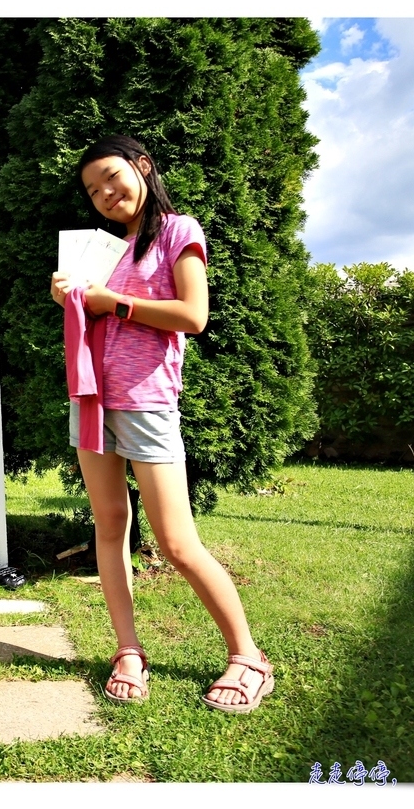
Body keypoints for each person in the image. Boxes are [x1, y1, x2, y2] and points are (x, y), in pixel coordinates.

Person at [50, 135, 273, 713]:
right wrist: (69, 297)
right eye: (92, 190)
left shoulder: (178, 230)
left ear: (142, 166)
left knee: (176, 541)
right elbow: (91, 308)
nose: (104, 193)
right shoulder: (100, 249)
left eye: (111, 177)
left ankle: (248, 656)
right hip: (92, 398)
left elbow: (193, 316)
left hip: (147, 401)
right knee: (108, 527)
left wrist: (111, 302)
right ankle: (128, 650)